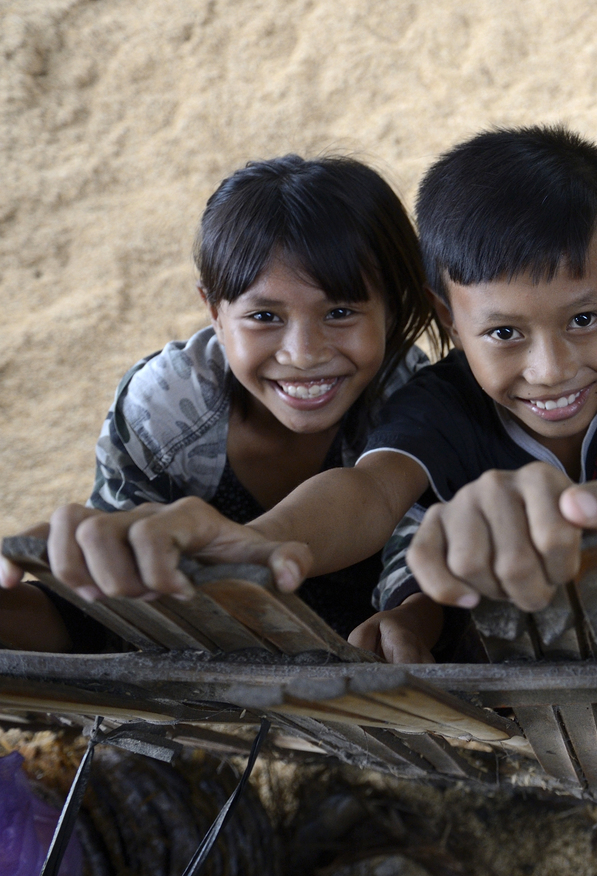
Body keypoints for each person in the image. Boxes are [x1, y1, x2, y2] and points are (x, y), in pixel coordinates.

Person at [26, 126, 597, 663]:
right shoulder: (439, 400)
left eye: (584, 319)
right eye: (504, 334)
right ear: (447, 318)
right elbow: (368, 492)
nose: (550, 367)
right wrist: (264, 541)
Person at [0, 155, 445, 650]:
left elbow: (418, 551)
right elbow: (108, 614)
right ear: (214, 311)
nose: (303, 354)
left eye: (340, 312)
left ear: (393, 307)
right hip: (200, 655)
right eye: (264, 316)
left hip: (357, 648)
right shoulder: (165, 406)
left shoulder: (411, 395)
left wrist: (412, 616)